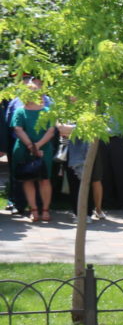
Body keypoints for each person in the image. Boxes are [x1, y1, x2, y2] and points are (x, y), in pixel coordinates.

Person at [10, 75, 57, 222]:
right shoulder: (20, 111)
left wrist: (37, 146)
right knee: (28, 179)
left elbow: (51, 131)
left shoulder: (48, 111)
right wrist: (31, 146)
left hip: (44, 149)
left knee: (45, 179)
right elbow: (18, 129)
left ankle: (45, 210)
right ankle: (34, 211)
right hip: (24, 149)